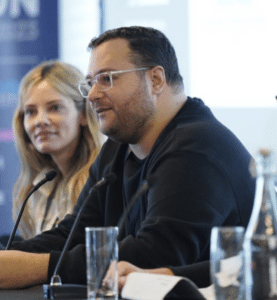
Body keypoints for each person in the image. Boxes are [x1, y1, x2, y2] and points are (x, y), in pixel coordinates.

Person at [0, 26, 255, 290]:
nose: (93, 95)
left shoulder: (196, 146)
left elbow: (155, 255)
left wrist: (36, 268)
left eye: (107, 78)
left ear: (156, 80)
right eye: (91, 83)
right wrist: (10, 260)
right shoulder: (118, 148)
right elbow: (74, 235)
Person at [12, 60, 101, 239]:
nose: (40, 121)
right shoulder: (40, 186)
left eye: (55, 108)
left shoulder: (101, 182)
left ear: (83, 114)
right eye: (30, 111)